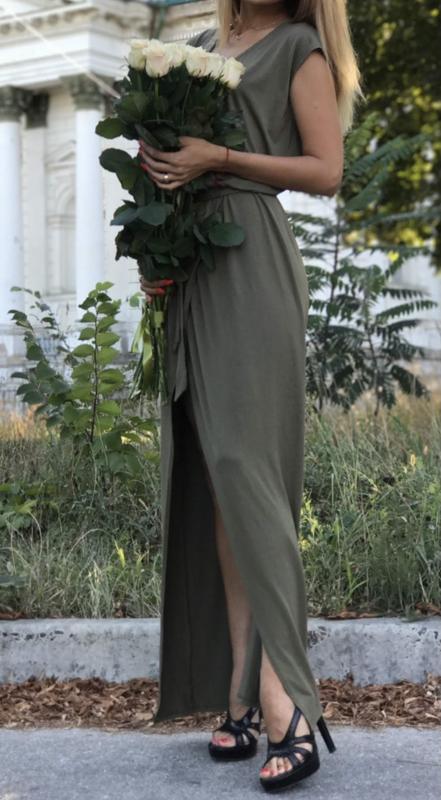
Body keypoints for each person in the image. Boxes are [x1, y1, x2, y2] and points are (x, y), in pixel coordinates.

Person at [137, 0, 361, 791]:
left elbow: (326, 171)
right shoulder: (199, 47)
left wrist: (219, 159)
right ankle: (237, 693)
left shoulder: (299, 47)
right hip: (192, 265)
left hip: (251, 262)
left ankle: (285, 702)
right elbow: (174, 160)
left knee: (247, 474)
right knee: (214, 480)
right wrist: (158, 208)